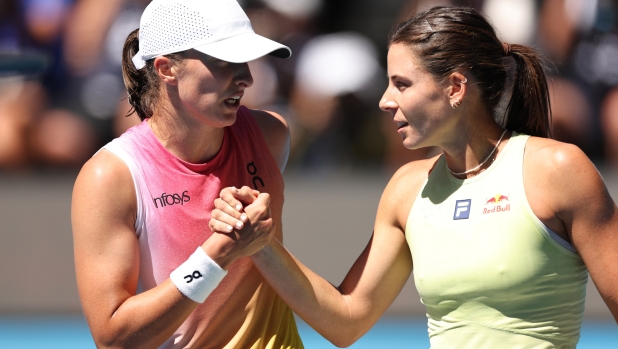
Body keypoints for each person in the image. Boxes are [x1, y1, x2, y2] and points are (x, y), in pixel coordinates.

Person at [210, 6, 618, 348]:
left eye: (401, 84)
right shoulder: (407, 189)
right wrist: (261, 244)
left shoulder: (558, 169)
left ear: (456, 87)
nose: (386, 101)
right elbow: (346, 320)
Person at [71, 0, 304, 348]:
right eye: (225, 62)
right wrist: (217, 255)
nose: (247, 78)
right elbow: (113, 338)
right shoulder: (111, 176)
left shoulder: (271, 135)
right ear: (166, 69)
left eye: (244, 61)